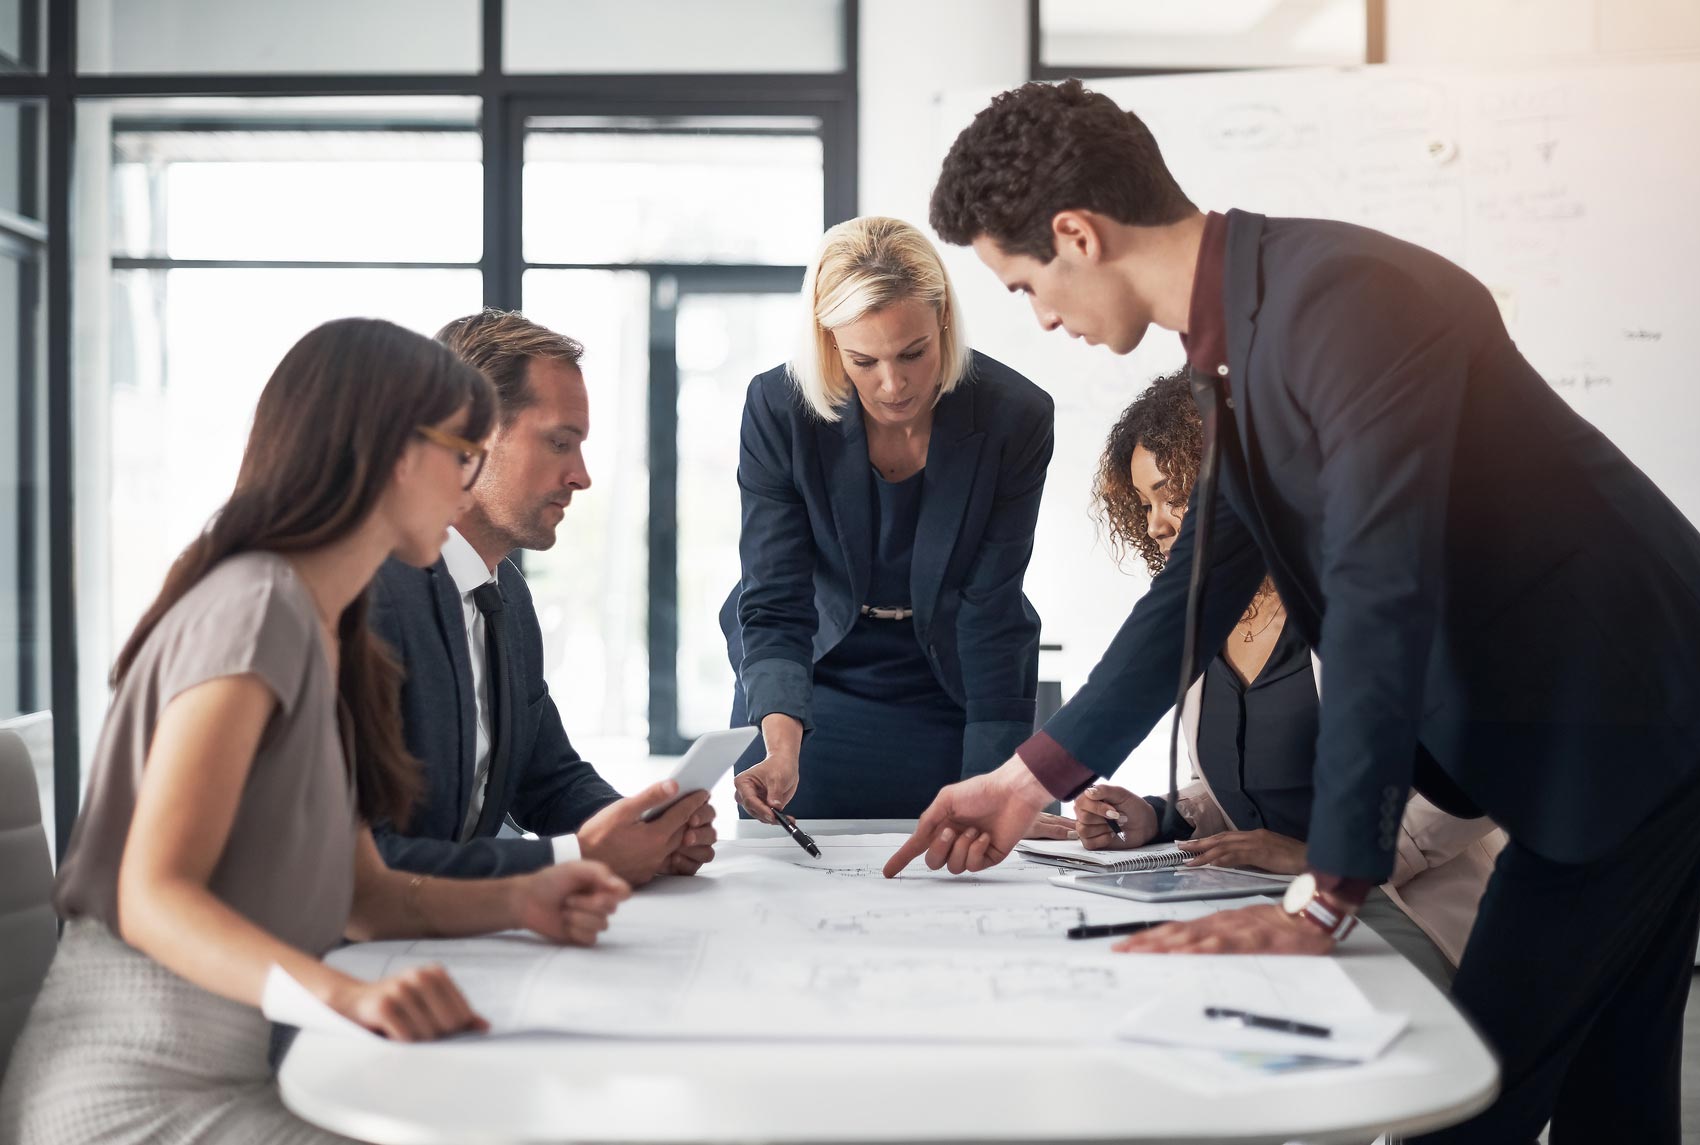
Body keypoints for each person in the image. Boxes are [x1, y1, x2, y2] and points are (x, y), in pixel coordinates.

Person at [886, 79, 1700, 1144]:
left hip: (1631, 707)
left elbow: (1380, 592)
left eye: (1024, 285)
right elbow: (1191, 593)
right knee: (1611, 1082)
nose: (1039, 316)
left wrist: (1323, 894)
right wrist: (1027, 778)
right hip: (1599, 710)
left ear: (1077, 234)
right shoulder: (1238, 337)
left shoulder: (1346, 300)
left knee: (1465, 1092)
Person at [0, 318, 632, 1144]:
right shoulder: (256, 606)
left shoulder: (325, 625)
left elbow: (365, 897)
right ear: (389, 453)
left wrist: (522, 896)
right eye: (462, 454)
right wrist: (347, 995)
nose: (468, 483)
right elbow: (152, 896)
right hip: (139, 1090)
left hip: (252, 1065)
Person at [1059, 369, 1505, 987]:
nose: (1159, 524)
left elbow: (1480, 776)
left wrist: (1328, 860)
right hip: (1258, 897)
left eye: (1174, 496)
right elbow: (1245, 789)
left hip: (1394, 901)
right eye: (1146, 505)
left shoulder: (1361, 594)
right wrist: (1162, 816)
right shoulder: (1206, 620)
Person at [722, 216, 1054, 820]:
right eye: (863, 361)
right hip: (814, 676)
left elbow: (992, 608)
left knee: (976, 868)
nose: (893, 385)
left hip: (952, 677)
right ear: (828, 343)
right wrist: (779, 744)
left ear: (944, 320)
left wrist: (998, 785)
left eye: (913, 353)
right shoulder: (779, 408)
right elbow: (775, 598)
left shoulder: (1016, 417)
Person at [371, 310, 717, 884]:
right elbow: (367, 859)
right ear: (471, 436)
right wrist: (575, 858)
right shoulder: (374, 597)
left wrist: (641, 828)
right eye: (560, 443)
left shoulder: (504, 593)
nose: (580, 476)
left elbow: (547, 779)